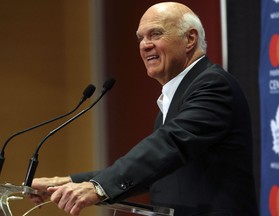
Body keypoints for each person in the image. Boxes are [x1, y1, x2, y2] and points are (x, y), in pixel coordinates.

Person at [30, 2, 259, 216]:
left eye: (156, 34)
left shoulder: (213, 85)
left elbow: (169, 145)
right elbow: (158, 170)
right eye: (141, 37)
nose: (144, 44)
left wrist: (99, 188)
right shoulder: (179, 93)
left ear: (190, 39)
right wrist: (66, 181)